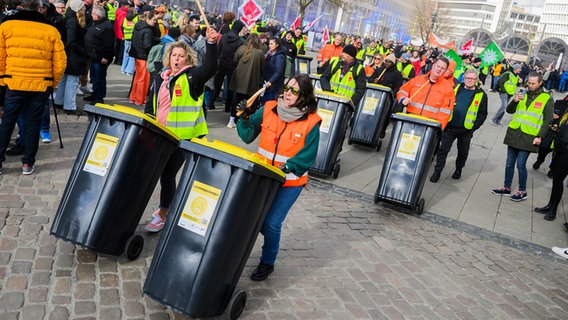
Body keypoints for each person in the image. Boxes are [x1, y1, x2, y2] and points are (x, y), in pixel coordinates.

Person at [236, 74, 322, 281]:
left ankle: (268, 262)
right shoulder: (269, 108)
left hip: (289, 182)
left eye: (294, 90)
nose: (288, 93)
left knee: (272, 223)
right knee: (255, 219)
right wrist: (243, 116)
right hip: (262, 178)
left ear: (303, 96)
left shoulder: (311, 122)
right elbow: (247, 136)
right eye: (286, 88)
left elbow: (307, 156)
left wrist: (289, 166)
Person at [143, 30, 219, 232]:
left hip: (182, 139)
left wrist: (211, 43)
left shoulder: (193, 76)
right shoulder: (160, 78)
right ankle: (166, 208)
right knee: (155, 173)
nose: (176, 59)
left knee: (167, 175)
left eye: (181, 56)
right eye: (173, 55)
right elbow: (151, 106)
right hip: (160, 135)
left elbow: (211, 68)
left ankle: (163, 213)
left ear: (188, 58)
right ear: (168, 57)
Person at [0, 0, 66, 175]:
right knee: (32, 123)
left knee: (7, 121)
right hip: (40, 84)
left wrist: (2, 78)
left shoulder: (7, 26)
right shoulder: (50, 30)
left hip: (14, 82)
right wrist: (53, 82)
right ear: (40, 10)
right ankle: (28, 163)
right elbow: (60, 63)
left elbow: (1, 55)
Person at [491, 72, 554, 201]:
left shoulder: (546, 98)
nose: (530, 85)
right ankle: (506, 187)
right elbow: (509, 110)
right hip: (514, 133)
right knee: (509, 163)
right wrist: (514, 100)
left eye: (533, 83)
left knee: (520, 164)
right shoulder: (522, 92)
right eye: (529, 83)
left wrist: (540, 136)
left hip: (529, 136)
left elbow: (547, 120)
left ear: (540, 82)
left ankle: (522, 191)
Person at [430, 69, 488, 182]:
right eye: (468, 78)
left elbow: (482, 114)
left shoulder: (481, 95)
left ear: (476, 80)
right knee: (443, 150)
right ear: (464, 78)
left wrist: (473, 127)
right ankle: (437, 172)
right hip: (450, 127)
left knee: (463, 152)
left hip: (466, 130)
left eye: (472, 78)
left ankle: (458, 169)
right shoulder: (455, 88)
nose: (470, 80)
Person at [396, 57, 455, 129]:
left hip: (429, 125)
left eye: (442, 68)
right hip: (410, 119)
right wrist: (403, 99)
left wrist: (438, 130)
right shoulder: (418, 80)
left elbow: (445, 112)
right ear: (433, 65)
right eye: (438, 66)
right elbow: (402, 91)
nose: (439, 69)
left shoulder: (448, 88)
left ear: (445, 70)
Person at [534, 108, 568, 221]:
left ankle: (553, 210)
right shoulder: (566, 114)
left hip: (566, 153)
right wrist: (558, 130)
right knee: (556, 180)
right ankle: (550, 206)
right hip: (560, 149)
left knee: (558, 180)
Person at [53, 0, 87, 115]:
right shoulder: (73, 21)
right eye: (83, 7)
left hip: (69, 54)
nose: (85, 9)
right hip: (74, 56)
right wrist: (82, 51)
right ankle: (70, 106)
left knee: (65, 79)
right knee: (72, 81)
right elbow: (71, 41)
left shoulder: (69, 19)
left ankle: (59, 101)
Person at [227, 33, 264, 128]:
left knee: (236, 100)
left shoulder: (241, 49)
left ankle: (232, 120)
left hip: (239, 79)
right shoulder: (259, 53)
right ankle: (240, 121)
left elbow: (234, 60)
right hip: (252, 81)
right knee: (248, 103)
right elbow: (262, 67)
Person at [207, 20, 246, 111]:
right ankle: (227, 106)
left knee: (216, 84)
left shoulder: (224, 37)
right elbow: (238, 55)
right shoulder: (239, 41)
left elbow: (218, 49)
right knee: (230, 87)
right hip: (232, 66)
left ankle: (211, 103)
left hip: (222, 64)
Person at [83, 4, 115, 104]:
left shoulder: (107, 27)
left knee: (99, 77)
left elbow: (108, 44)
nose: (91, 15)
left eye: (92, 13)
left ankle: (99, 98)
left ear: (97, 15)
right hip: (93, 56)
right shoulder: (95, 24)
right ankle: (94, 94)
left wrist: (105, 57)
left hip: (101, 57)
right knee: (94, 77)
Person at [128, 10, 159, 106]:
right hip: (143, 56)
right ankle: (139, 99)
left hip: (137, 55)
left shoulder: (138, 26)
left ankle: (133, 97)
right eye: (154, 20)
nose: (155, 22)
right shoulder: (148, 30)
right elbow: (147, 45)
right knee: (143, 79)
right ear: (148, 19)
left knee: (137, 78)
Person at [260, 37, 286, 105]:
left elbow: (279, 71)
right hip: (267, 82)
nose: (269, 45)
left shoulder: (279, 56)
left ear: (277, 45)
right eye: (269, 44)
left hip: (273, 86)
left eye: (272, 44)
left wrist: (270, 81)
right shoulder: (269, 54)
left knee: (269, 103)